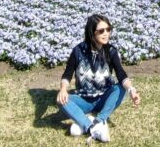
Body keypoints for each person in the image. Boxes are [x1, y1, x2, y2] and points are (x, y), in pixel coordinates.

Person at [57, 14, 141, 142]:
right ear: (92, 32)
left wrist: (131, 90)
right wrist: (63, 89)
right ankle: (92, 126)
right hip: (83, 100)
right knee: (61, 100)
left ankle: (97, 120)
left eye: (108, 29)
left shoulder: (111, 51)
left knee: (120, 89)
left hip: (103, 98)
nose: (106, 33)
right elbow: (67, 74)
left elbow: (121, 74)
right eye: (101, 31)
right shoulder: (78, 51)